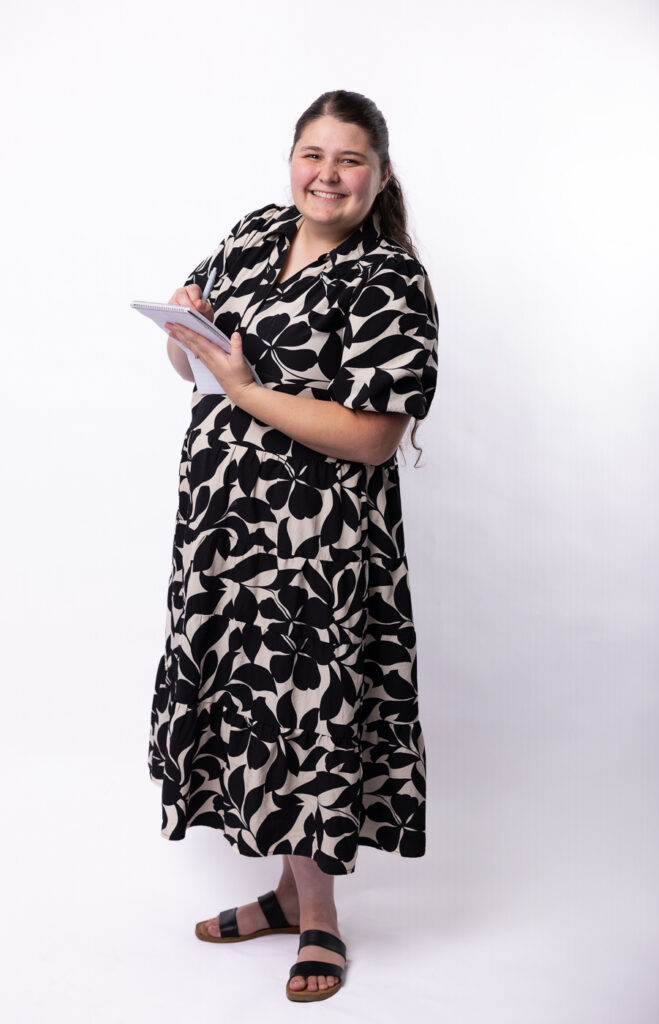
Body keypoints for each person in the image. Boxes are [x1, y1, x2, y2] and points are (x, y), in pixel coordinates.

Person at [148, 89, 439, 1002]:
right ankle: (283, 896)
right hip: (226, 530)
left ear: (379, 174)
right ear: (290, 162)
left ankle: (319, 919)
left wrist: (240, 386)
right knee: (248, 700)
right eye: (312, 154)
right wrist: (184, 321)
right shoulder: (253, 232)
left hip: (316, 541)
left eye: (349, 159)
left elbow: (369, 436)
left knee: (303, 712)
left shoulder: (386, 278)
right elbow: (189, 357)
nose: (327, 174)